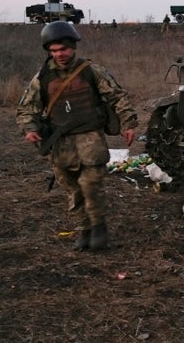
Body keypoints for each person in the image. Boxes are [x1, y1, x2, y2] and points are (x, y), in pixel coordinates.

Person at [16, 21, 138, 251]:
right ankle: (84, 229)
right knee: (73, 190)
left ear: (72, 47)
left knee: (91, 185)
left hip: (90, 138)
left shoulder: (91, 71)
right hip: (61, 144)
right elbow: (26, 108)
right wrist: (29, 129)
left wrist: (128, 123)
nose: (59, 54)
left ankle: (99, 227)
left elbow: (117, 97)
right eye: (53, 51)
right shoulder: (42, 78)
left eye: (63, 49)